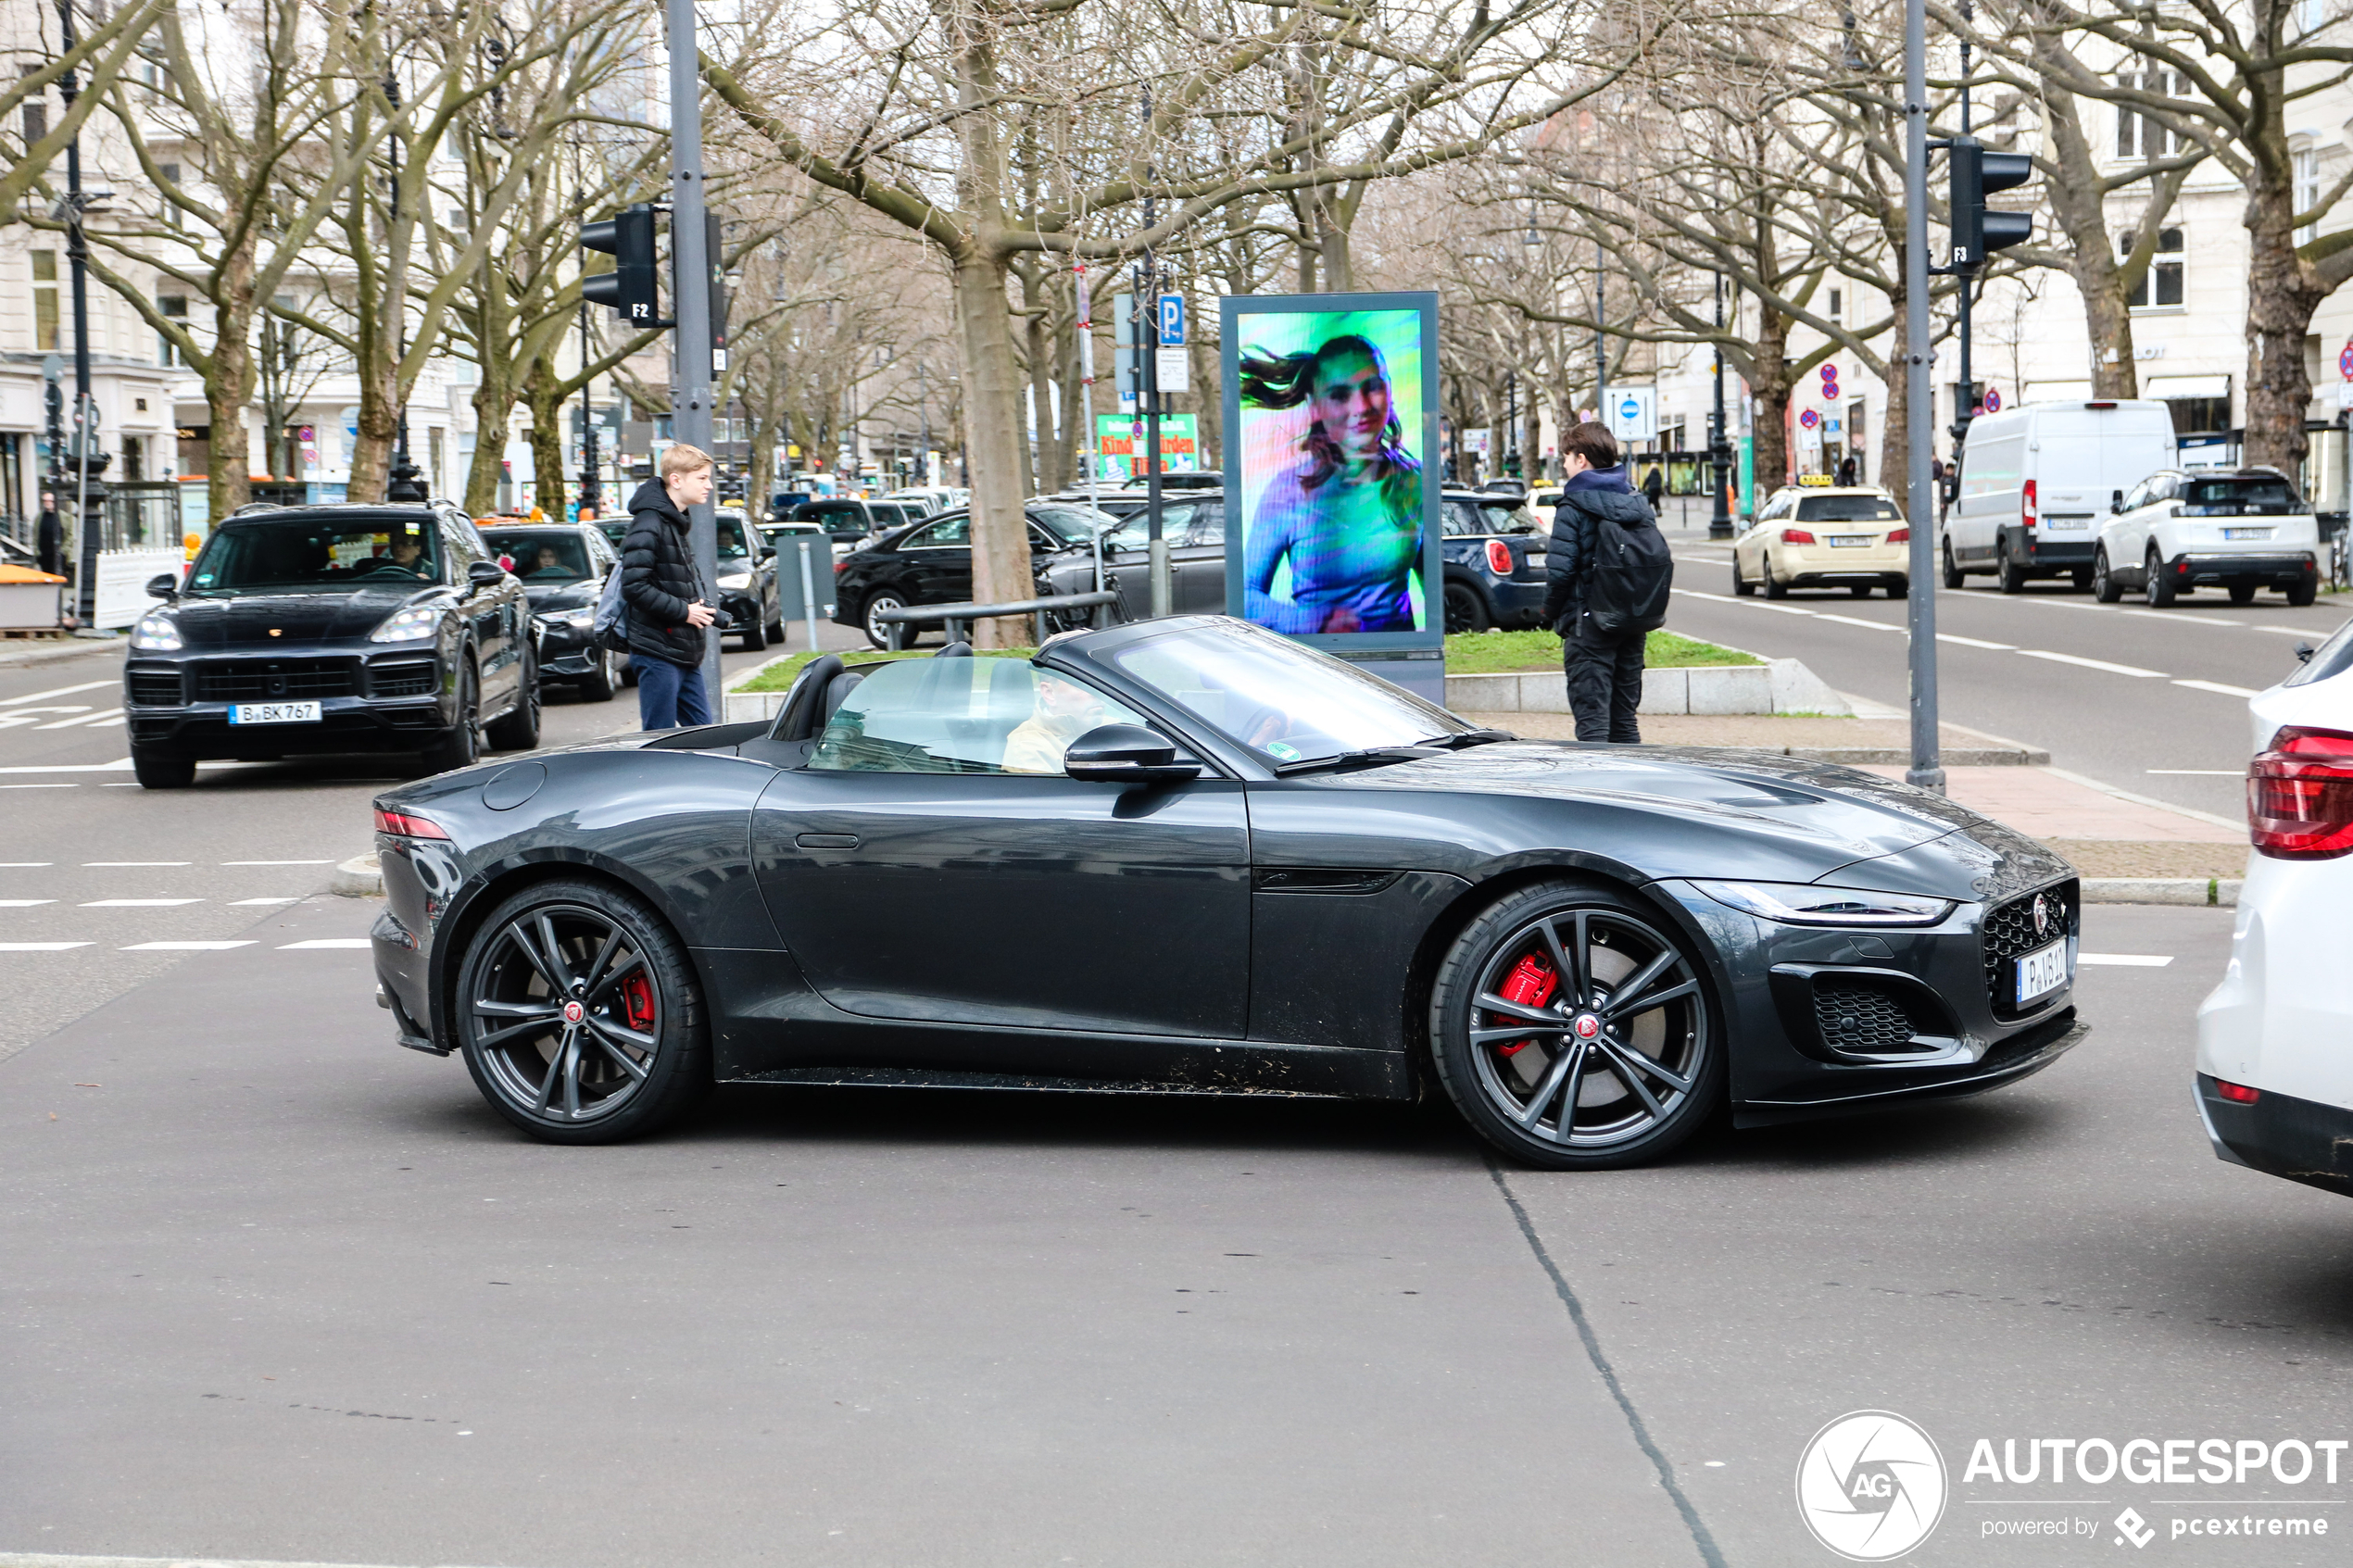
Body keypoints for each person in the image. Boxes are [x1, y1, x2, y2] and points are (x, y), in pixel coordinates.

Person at [1239, 333, 1423, 633]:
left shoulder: (1415, 481)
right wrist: (1312, 622)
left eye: (1373, 387)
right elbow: (1244, 596)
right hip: (1316, 669)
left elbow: (1435, 588)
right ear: (1315, 407)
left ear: (1390, 389)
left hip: (1395, 664)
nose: (1361, 407)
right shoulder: (1286, 492)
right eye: (1339, 395)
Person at [1541, 420, 1667, 745]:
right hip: (1632, 622)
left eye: (1567, 458)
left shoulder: (1572, 507)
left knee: (1592, 726)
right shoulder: (1637, 503)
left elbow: (1560, 572)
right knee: (1625, 722)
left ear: (1581, 460)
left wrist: (1552, 613)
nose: (1566, 465)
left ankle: (1598, 790)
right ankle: (1632, 793)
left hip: (1590, 626)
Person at [623, 444, 721, 730]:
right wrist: (684, 612)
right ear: (676, 480)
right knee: (659, 739)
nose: (709, 486)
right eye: (702, 478)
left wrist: (695, 611)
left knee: (706, 736)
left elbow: (670, 582)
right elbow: (634, 585)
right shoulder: (649, 522)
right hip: (657, 652)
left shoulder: (673, 523)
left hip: (682, 650)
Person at [1001, 673, 1110, 774]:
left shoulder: (1116, 724)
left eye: (1101, 684)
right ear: (1049, 693)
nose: (1098, 692)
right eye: (1082, 684)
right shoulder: (1027, 747)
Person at [35, 491, 62, 577]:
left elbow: (69, 534)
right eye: (45, 501)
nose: (47, 503)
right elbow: (35, 534)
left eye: (49, 501)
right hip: (44, 554)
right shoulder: (39, 517)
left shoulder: (62, 516)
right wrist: (36, 551)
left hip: (59, 553)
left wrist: (64, 550)